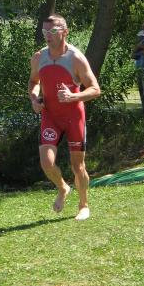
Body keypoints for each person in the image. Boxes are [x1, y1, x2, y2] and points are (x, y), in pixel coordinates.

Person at [28, 14, 100, 221]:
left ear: (65, 32)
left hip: (74, 116)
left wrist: (73, 96)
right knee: (47, 163)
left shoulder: (76, 58)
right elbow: (33, 82)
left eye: (52, 31)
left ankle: (84, 205)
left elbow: (95, 89)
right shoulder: (39, 57)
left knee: (77, 166)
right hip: (50, 116)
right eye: (45, 31)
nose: (47, 35)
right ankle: (63, 188)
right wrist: (34, 99)